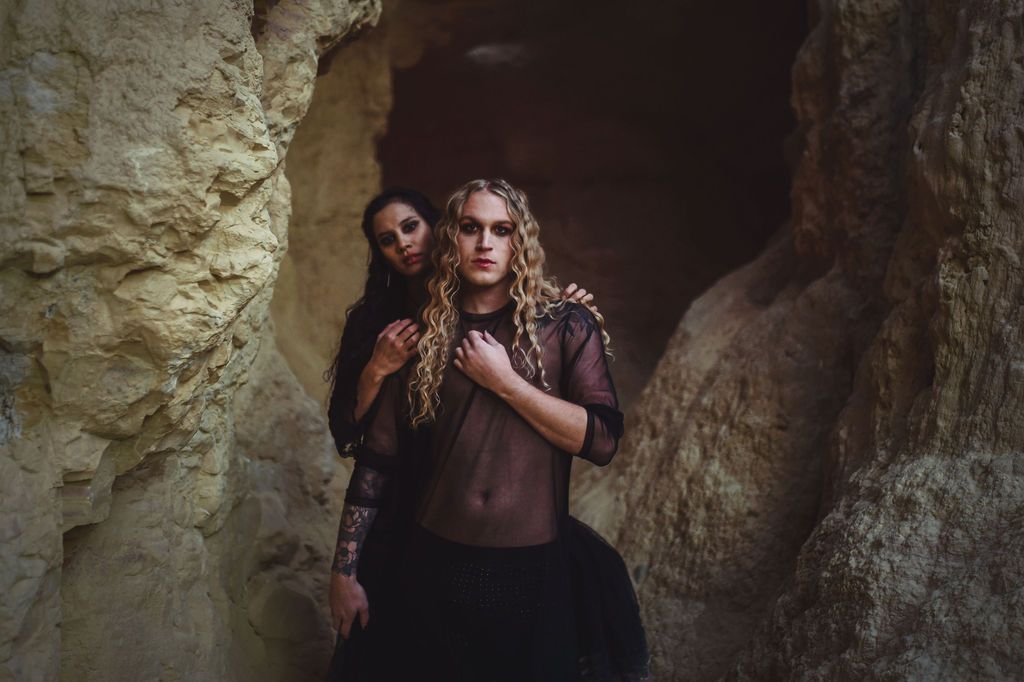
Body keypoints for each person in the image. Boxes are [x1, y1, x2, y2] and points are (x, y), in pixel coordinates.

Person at [332, 179, 649, 681]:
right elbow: (374, 463)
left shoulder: (564, 325)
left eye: (502, 230)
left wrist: (505, 382)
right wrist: (343, 571)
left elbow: (603, 442)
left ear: (521, 241)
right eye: (470, 228)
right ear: (450, 239)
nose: (485, 243)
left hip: (532, 571)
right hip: (432, 564)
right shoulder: (418, 336)